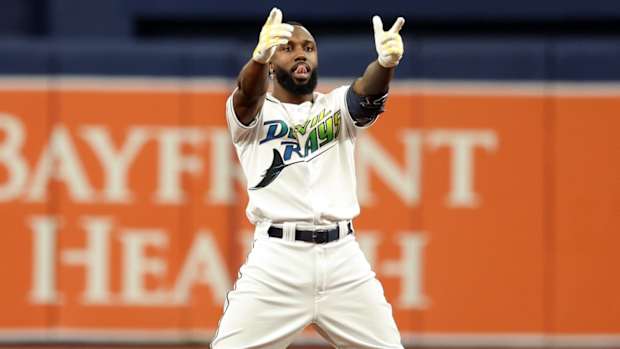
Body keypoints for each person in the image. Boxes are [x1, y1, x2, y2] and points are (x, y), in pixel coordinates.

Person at [211, 7, 405, 349]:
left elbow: (365, 95)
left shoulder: (335, 106)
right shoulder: (254, 115)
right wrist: (257, 60)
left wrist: (385, 65)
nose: (301, 52)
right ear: (272, 61)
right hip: (277, 261)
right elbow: (246, 96)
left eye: (309, 47)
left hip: (343, 260)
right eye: (289, 47)